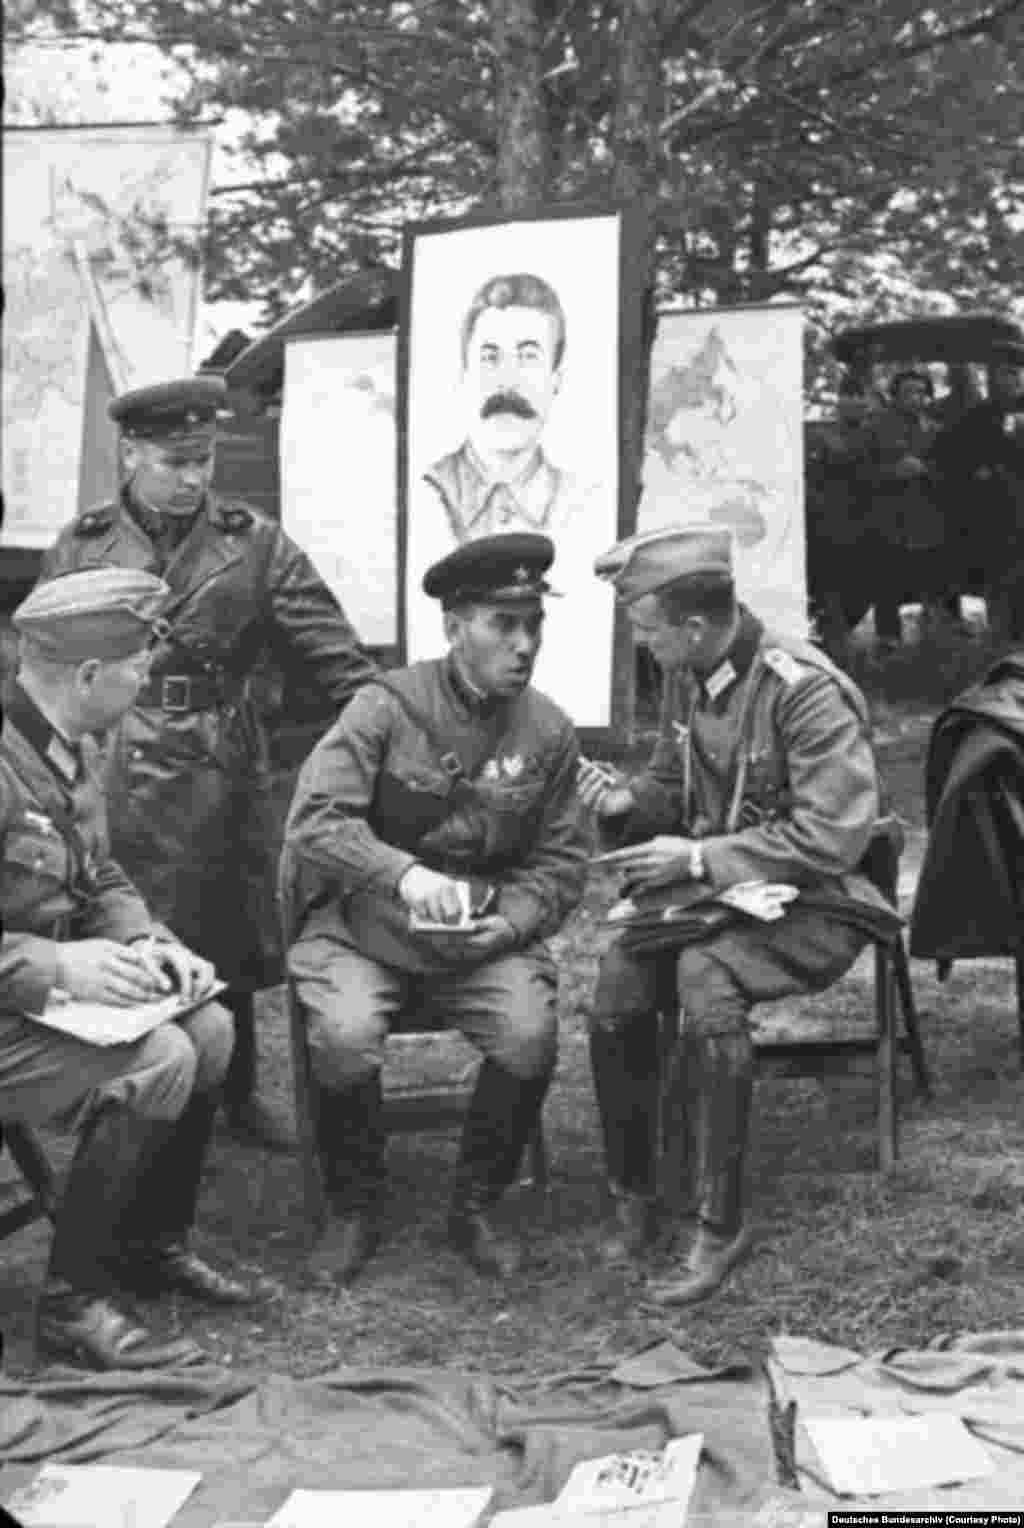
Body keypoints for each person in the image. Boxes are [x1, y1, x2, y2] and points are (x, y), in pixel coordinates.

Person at [37, 375, 379, 1150]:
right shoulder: (83, 544)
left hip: (218, 757)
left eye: (204, 459)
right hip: (111, 757)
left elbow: (335, 654)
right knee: (112, 918)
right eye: (175, 461)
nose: (194, 478)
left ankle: (236, 1091)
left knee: (228, 929)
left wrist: (383, 734)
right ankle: (107, 1082)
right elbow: (48, 665)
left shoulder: (252, 541)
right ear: (131, 451)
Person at [577, 524, 892, 1304]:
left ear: (692, 625)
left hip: (823, 903)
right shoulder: (692, 674)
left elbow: (830, 834)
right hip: (728, 898)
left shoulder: (804, 690)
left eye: (645, 630)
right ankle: (637, 1194)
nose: (641, 646)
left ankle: (719, 1222)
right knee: (617, 983)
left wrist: (696, 859)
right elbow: (669, 786)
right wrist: (626, 801)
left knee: (702, 975)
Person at [282, 532, 587, 1285]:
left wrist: (512, 922)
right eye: (502, 625)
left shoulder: (548, 731)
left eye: (533, 626)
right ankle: (355, 1207)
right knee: (346, 1034)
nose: (524, 645)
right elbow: (315, 820)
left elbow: (562, 860)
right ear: (454, 627)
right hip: (368, 930)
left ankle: (476, 1205)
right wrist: (404, 876)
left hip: (482, 939)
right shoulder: (384, 709)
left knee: (527, 1035)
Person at [1, 569, 259, 1370]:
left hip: (28, 1001)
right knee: (158, 1060)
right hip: (19, 995)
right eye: (139, 663)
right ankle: (71, 1306)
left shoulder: (68, 743)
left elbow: (95, 874)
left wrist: (150, 944)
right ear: (87, 676)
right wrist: (56, 963)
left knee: (209, 1029)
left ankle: (148, 1244)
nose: (149, 677)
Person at [422, 273, 591, 540]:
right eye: (490, 357)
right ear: (465, 375)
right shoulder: (428, 492)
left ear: (555, 380)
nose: (507, 380)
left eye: (527, 357)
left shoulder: (583, 503)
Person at [932, 352, 1024, 637]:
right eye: (1000, 375)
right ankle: (1003, 631)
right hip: (993, 504)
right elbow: (956, 453)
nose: (1007, 380)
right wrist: (978, 470)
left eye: (1012, 373)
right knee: (999, 569)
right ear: (991, 379)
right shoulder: (979, 413)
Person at [860, 368, 946, 646]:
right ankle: (888, 637)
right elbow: (862, 472)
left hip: (927, 513)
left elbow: (951, 471)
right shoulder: (875, 428)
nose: (916, 398)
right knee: (887, 575)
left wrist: (926, 470)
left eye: (921, 392)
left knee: (931, 574)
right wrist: (893, 472)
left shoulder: (935, 430)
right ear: (895, 396)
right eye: (908, 391)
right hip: (890, 514)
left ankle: (934, 632)